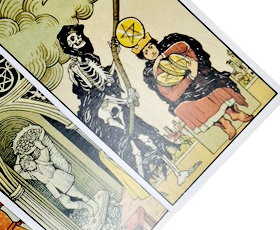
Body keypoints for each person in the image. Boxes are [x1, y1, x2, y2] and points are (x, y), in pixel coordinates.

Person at [57, 24, 196, 185]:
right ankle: (146, 183)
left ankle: (178, 173)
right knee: (133, 145)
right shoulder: (76, 67)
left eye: (78, 36)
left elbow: (107, 78)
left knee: (147, 136)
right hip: (104, 112)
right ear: (69, 47)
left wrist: (114, 56)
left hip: (115, 105)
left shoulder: (90, 58)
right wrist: (125, 101)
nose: (77, 39)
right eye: (72, 39)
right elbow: (98, 93)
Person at [133, 31, 253, 141]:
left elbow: (186, 47)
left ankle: (234, 112)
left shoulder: (168, 44)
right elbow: (170, 95)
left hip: (200, 76)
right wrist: (190, 77)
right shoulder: (151, 72)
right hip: (185, 92)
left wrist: (163, 56)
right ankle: (223, 123)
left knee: (208, 82)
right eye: (146, 52)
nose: (151, 52)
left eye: (150, 46)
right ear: (143, 57)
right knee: (186, 106)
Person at [12, 125, 96, 214]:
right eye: (27, 167)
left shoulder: (42, 160)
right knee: (67, 204)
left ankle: (92, 204)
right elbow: (19, 172)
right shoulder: (32, 174)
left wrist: (38, 144)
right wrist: (18, 158)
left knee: (77, 194)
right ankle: (87, 207)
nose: (30, 166)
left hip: (60, 180)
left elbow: (44, 150)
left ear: (31, 159)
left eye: (29, 163)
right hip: (54, 189)